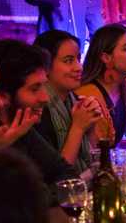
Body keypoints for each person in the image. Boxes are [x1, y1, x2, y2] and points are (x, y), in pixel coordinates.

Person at [0, 39, 78, 190]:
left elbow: (67, 174)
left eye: (44, 86)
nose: (45, 98)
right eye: (35, 89)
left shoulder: (24, 128)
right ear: (3, 95)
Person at [33, 30, 101, 172]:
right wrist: (78, 127)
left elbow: (96, 162)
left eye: (78, 59)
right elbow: (58, 177)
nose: (79, 67)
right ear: (46, 66)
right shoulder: (37, 109)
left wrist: (91, 126)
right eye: (68, 61)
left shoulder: (76, 101)